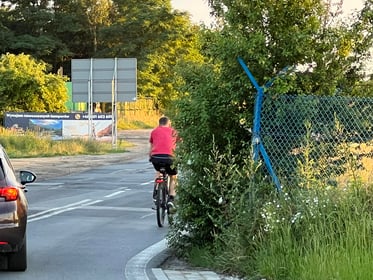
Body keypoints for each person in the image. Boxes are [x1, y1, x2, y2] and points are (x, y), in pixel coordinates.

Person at [149, 116, 179, 209]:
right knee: (173, 176)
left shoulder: (154, 131)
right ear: (169, 123)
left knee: (158, 171)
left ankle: (156, 193)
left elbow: (151, 146)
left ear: (159, 123)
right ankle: (171, 198)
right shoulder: (174, 132)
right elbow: (179, 144)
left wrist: (150, 156)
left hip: (156, 158)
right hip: (169, 158)